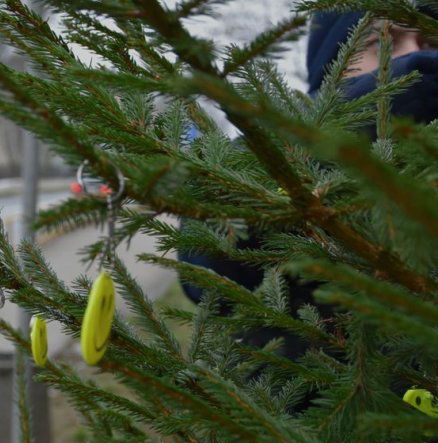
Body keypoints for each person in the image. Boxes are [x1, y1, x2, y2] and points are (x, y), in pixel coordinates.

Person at [180, 8, 437, 360]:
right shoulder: (282, 150)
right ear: (333, 67)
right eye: (383, 43)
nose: (412, 54)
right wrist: (413, 86)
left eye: (429, 42)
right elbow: (203, 265)